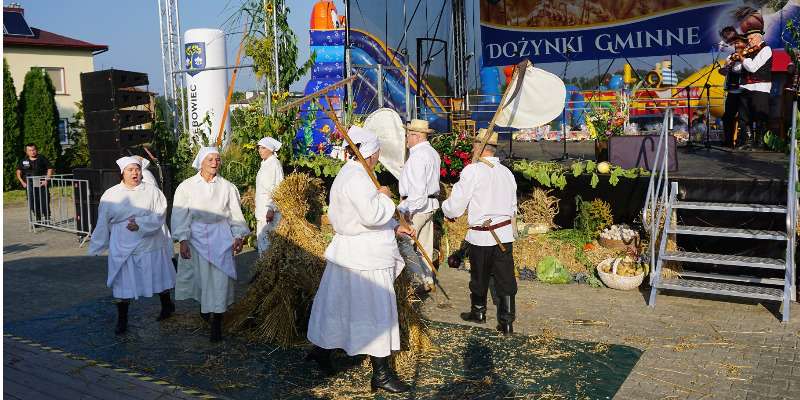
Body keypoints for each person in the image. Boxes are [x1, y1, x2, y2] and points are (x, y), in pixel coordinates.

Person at [306, 126, 416, 393]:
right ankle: (381, 374)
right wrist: (386, 199)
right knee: (376, 311)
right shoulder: (358, 178)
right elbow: (369, 215)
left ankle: (321, 352)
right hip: (365, 257)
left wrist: (392, 226)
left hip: (351, 252)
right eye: (377, 152)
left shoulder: (351, 174)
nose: (378, 157)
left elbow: (361, 218)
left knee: (340, 305)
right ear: (369, 153)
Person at [441, 128, 518, 335]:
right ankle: (507, 322)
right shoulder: (507, 173)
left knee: (479, 277)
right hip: (503, 235)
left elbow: (456, 206)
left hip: (480, 235)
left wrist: (445, 209)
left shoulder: (472, 171)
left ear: (479, 147)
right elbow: (513, 208)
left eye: (474, 144)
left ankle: (479, 313)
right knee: (505, 278)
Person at [88, 157, 176, 335]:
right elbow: (103, 220)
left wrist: (141, 224)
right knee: (123, 280)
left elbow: (160, 213)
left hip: (149, 241)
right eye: (130, 170)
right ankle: (122, 320)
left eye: (137, 169)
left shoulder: (152, 191)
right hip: (122, 243)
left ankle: (167, 305)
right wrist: (98, 244)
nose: (135, 173)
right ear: (122, 172)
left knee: (156, 273)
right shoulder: (111, 194)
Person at [171, 147, 250, 342]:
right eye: (210, 159)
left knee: (221, 278)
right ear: (201, 162)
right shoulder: (186, 187)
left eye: (217, 159)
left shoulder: (227, 187)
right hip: (197, 237)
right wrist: (183, 239)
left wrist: (238, 235)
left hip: (221, 236)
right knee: (203, 278)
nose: (215, 162)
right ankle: (205, 309)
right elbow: (181, 214)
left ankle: (217, 321)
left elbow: (235, 214)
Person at [398, 119, 441, 291]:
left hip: (418, 206)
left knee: (404, 241)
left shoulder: (417, 157)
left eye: (408, 135)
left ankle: (418, 280)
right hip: (429, 205)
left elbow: (418, 191)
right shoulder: (432, 153)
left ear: (415, 136)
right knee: (424, 243)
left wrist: (407, 209)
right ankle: (428, 279)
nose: (406, 139)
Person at [733, 29, 772, 149]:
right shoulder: (747, 52)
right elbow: (737, 69)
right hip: (745, 87)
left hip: (760, 87)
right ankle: (747, 141)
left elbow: (753, 67)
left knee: (760, 116)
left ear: (758, 38)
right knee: (744, 117)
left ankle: (761, 142)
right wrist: (737, 59)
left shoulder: (766, 49)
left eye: (750, 39)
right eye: (748, 39)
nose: (748, 42)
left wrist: (743, 58)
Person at [255, 137, 284, 255]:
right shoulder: (265, 164)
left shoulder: (274, 164)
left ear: (271, 149)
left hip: (269, 211)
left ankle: (269, 271)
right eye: (259, 148)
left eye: (263, 148)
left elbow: (278, 188)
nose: (260, 150)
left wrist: (272, 208)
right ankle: (264, 270)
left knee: (268, 243)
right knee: (263, 241)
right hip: (262, 209)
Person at [719, 30, 746, 148]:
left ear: (744, 44)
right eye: (735, 43)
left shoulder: (747, 56)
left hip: (743, 91)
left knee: (743, 118)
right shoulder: (729, 57)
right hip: (731, 91)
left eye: (739, 43)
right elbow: (726, 72)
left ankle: (741, 141)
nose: (736, 46)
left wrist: (739, 59)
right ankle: (728, 141)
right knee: (727, 116)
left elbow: (744, 70)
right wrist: (725, 69)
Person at [16, 143, 54, 222]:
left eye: (33, 150)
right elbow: (18, 172)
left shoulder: (42, 158)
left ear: (36, 150)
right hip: (29, 184)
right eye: (30, 150)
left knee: (44, 200)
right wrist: (22, 182)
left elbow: (50, 168)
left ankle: (47, 218)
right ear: (26, 152)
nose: (32, 152)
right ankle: (38, 219)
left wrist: (46, 179)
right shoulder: (23, 160)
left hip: (41, 182)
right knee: (32, 201)